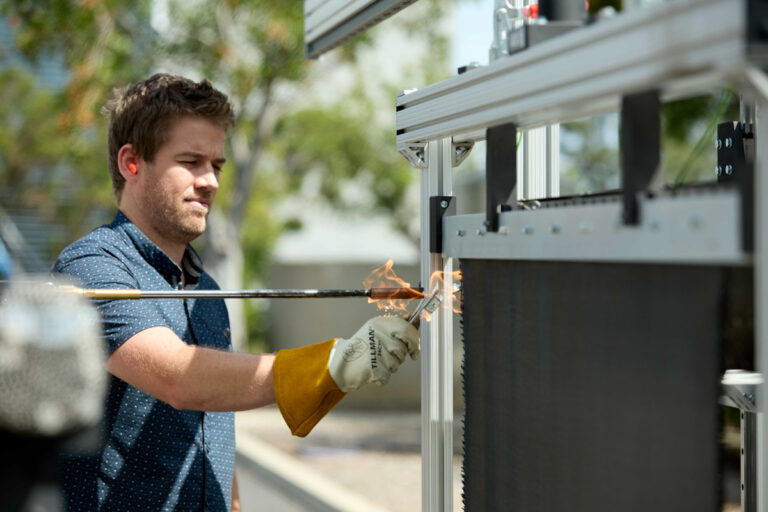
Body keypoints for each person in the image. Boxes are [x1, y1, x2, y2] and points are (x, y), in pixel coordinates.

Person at [52, 73, 420, 512]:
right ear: (131, 163)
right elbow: (178, 377)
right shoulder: (91, 267)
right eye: (191, 162)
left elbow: (214, 421)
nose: (210, 181)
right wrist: (333, 363)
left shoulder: (206, 290)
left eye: (217, 165)